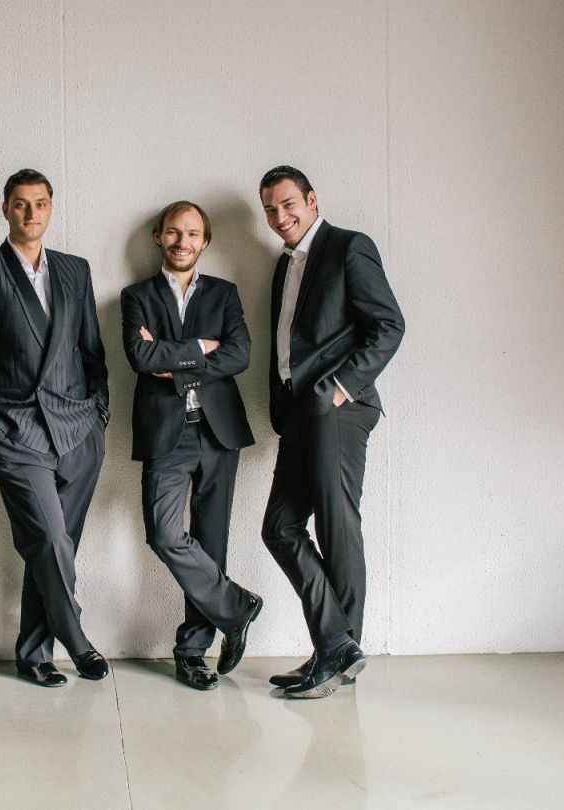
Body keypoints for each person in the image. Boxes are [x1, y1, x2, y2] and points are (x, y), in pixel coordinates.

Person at [0, 169, 110, 687]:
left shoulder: (75, 269)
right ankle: (77, 640)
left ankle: (34, 654)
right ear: (5, 210)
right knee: (51, 539)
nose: (31, 212)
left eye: (40, 203)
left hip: (79, 430)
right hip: (16, 430)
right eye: (20, 203)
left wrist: (99, 412)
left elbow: (91, 349)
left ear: (50, 208)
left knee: (53, 547)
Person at [259, 166, 405, 698]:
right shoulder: (284, 265)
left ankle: (340, 650)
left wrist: (339, 389)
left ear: (312, 200)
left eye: (288, 204)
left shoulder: (348, 247)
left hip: (337, 408)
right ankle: (336, 645)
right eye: (270, 209)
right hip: (298, 411)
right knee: (279, 527)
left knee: (337, 525)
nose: (280, 216)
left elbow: (388, 324)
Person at [120, 201, 262, 690]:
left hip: (219, 431)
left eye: (193, 234)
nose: (183, 242)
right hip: (167, 432)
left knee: (211, 541)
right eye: (174, 232)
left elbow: (240, 354)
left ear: (205, 241)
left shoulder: (224, 293)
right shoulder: (136, 296)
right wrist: (203, 347)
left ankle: (193, 651)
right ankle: (235, 607)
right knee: (164, 533)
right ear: (159, 237)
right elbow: (141, 356)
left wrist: (175, 362)